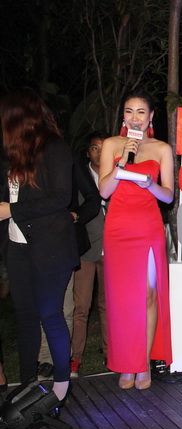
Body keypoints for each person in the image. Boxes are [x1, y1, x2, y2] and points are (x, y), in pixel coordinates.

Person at [0, 88, 79, 403]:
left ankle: (60, 388)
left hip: (51, 247)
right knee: (25, 316)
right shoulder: (10, 154)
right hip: (17, 246)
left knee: (50, 313)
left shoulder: (55, 148)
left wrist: (12, 210)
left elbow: (60, 197)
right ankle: (27, 386)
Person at [98, 92, 174, 390]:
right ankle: (125, 364)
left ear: (151, 116)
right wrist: (123, 164)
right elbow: (104, 191)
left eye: (141, 112)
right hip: (118, 228)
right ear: (123, 116)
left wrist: (149, 184)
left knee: (148, 295)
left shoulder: (161, 149)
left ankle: (142, 364)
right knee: (122, 299)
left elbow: (168, 196)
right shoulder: (111, 145)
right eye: (129, 111)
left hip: (148, 226)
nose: (135, 118)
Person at [37, 132, 103, 378]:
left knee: (73, 306)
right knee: (60, 306)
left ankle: (60, 360)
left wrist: (76, 216)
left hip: (73, 242)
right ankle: (55, 359)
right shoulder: (24, 160)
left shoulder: (69, 161)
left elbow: (93, 199)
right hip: (35, 242)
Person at [70, 132, 108, 377]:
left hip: (112, 250)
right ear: (88, 152)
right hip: (86, 249)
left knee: (107, 305)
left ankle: (111, 353)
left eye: (103, 148)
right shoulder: (79, 175)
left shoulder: (117, 174)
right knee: (81, 307)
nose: (99, 152)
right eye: (95, 148)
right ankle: (75, 358)